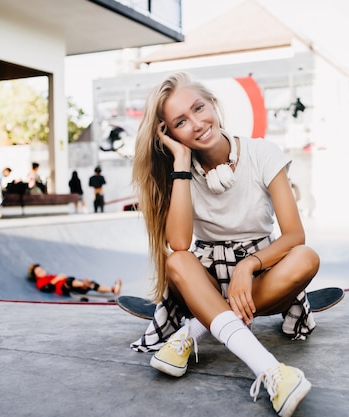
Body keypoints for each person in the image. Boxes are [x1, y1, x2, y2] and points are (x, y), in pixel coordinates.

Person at [131, 72, 320, 417]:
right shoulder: (180, 172)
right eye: (180, 122)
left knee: (306, 258)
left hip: (260, 274)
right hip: (207, 277)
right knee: (176, 261)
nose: (197, 123)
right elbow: (179, 242)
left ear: (213, 104)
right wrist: (182, 164)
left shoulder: (262, 152)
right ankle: (271, 371)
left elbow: (294, 235)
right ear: (169, 134)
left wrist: (248, 266)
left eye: (199, 107)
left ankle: (194, 330)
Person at [27, 264, 122, 297]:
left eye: (42, 269)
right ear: (36, 276)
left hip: (73, 286)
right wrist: (57, 279)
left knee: (93, 284)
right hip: (63, 288)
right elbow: (47, 288)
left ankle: (113, 290)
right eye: (39, 271)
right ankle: (82, 284)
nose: (42, 271)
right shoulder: (40, 281)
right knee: (69, 281)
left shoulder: (50, 276)